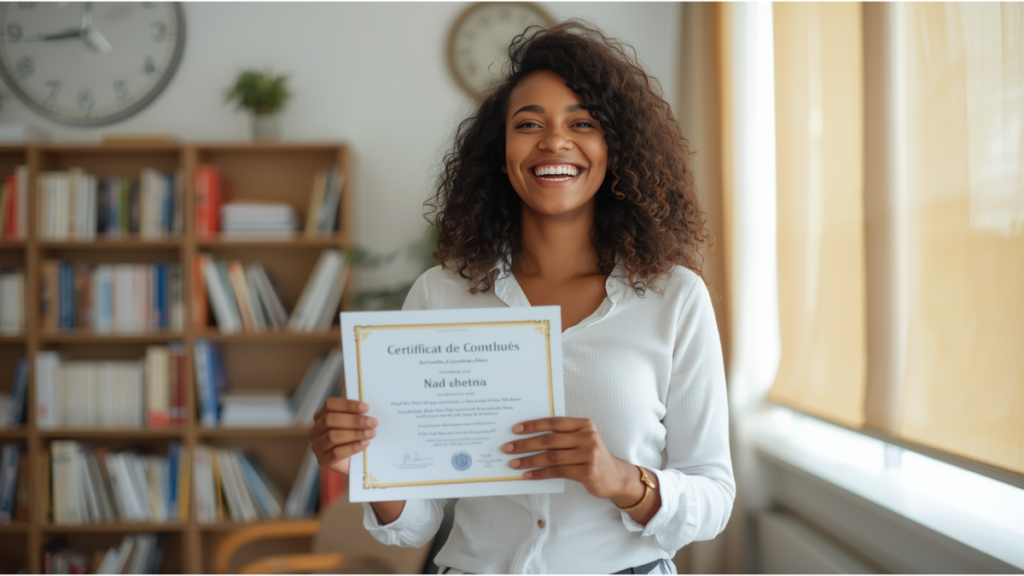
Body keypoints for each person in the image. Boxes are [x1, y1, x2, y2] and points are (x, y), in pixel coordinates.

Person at [310, 21, 734, 574]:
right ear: (501, 152)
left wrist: (621, 479)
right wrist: (365, 464)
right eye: (528, 123)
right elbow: (414, 522)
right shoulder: (439, 295)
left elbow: (714, 496)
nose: (554, 141)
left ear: (615, 147)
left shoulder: (675, 297)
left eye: (582, 123)